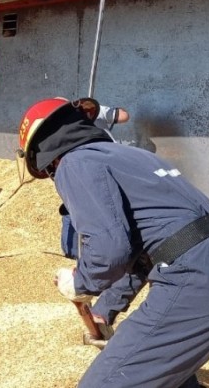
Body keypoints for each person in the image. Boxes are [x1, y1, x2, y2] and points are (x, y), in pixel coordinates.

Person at [18, 97, 209, 387]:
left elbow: (111, 250)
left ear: (47, 157)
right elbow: (150, 250)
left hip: (198, 279)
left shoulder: (74, 163)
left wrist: (81, 281)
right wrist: (104, 309)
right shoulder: (133, 157)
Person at [57, 101, 146, 348]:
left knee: (121, 253)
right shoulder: (80, 153)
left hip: (98, 190)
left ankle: (97, 314)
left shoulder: (75, 153)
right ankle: (97, 313)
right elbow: (124, 115)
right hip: (103, 187)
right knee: (125, 254)